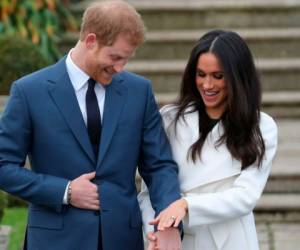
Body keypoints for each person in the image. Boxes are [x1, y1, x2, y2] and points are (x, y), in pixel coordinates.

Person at [0, 1, 182, 249]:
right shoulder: (29, 91)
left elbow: (159, 165)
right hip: (54, 241)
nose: (119, 68)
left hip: (122, 240)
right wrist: (64, 191)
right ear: (90, 40)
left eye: (126, 60)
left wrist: (169, 223)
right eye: (115, 57)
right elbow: (3, 166)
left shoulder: (139, 91)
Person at [138, 29, 278, 250]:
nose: (207, 85)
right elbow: (150, 189)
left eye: (218, 76)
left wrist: (186, 205)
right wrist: (155, 230)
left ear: (237, 77)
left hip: (231, 241)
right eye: (201, 74)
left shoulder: (261, 126)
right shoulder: (170, 119)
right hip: (176, 239)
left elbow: (246, 196)